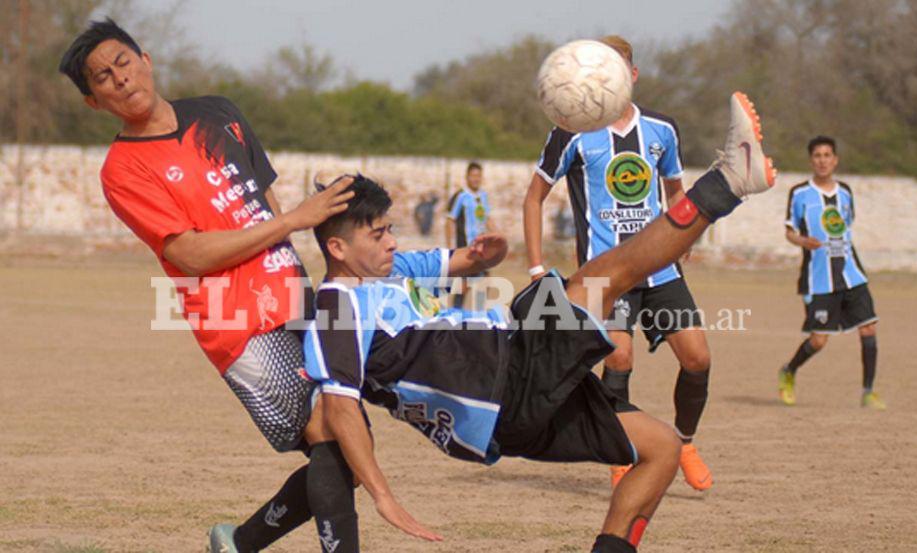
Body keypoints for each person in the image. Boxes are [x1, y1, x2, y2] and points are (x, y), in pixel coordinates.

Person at [57, 19, 508, 552]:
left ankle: (239, 543)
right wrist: (293, 220)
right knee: (329, 435)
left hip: (296, 297)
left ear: (145, 59)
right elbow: (188, 253)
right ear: (94, 101)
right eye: (104, 77)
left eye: (123, 62)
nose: (121, 78)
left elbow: (267, 207)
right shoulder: (124, 169)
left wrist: (321, 248)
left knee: (341, 435)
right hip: (237, 320)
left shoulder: (219, 113)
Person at [300, 92, 775, 553]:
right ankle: (729, 180)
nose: (391, 242)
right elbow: (341, 408)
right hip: (498, 384)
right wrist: (383, 495)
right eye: (378, 233)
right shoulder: (337, 306)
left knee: (661, 449)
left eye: (390, 229)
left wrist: (490, 253)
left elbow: (463, 259)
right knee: (604, 276)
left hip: (507, 396)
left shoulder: (392, 269)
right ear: (338, 249)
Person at [523, 35, 714, 491]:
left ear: (631, 75)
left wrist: (686, 232)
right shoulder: (570, 131)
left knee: (698, 359)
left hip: (660, 268)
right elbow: (534, 198)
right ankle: (620, 450)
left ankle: (684, 442)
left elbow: (676, 192)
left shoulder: (662, 129)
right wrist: (535, 269)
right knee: (620, 355)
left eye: (618, 67)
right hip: (605, 274)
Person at [778, 136, 885, 409]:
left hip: (852, 274)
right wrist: (802, 241)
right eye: (817, 155)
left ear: (835, 160)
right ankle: (789, 371)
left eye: (827, 155)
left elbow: (847, 227)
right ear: (811, 160)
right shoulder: (800, 193)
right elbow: (790, 232)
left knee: (869, 328)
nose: (823, 160)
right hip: (819, 279)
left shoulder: (845, 192)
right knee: (819, 340)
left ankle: (868, 391)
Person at [446, 161, 494, 308]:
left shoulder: (483, 196)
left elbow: (487, 218)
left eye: (478, 176)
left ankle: (480, 315)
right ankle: (455, 313)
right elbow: (450, 220)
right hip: (465, 247)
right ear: (467, 177)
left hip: (481, 248)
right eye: (473, 176)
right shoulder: (460, 196)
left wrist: (497, 234)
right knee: (464, 284)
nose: (476, 179)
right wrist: (450, 247)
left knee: (485, 282)